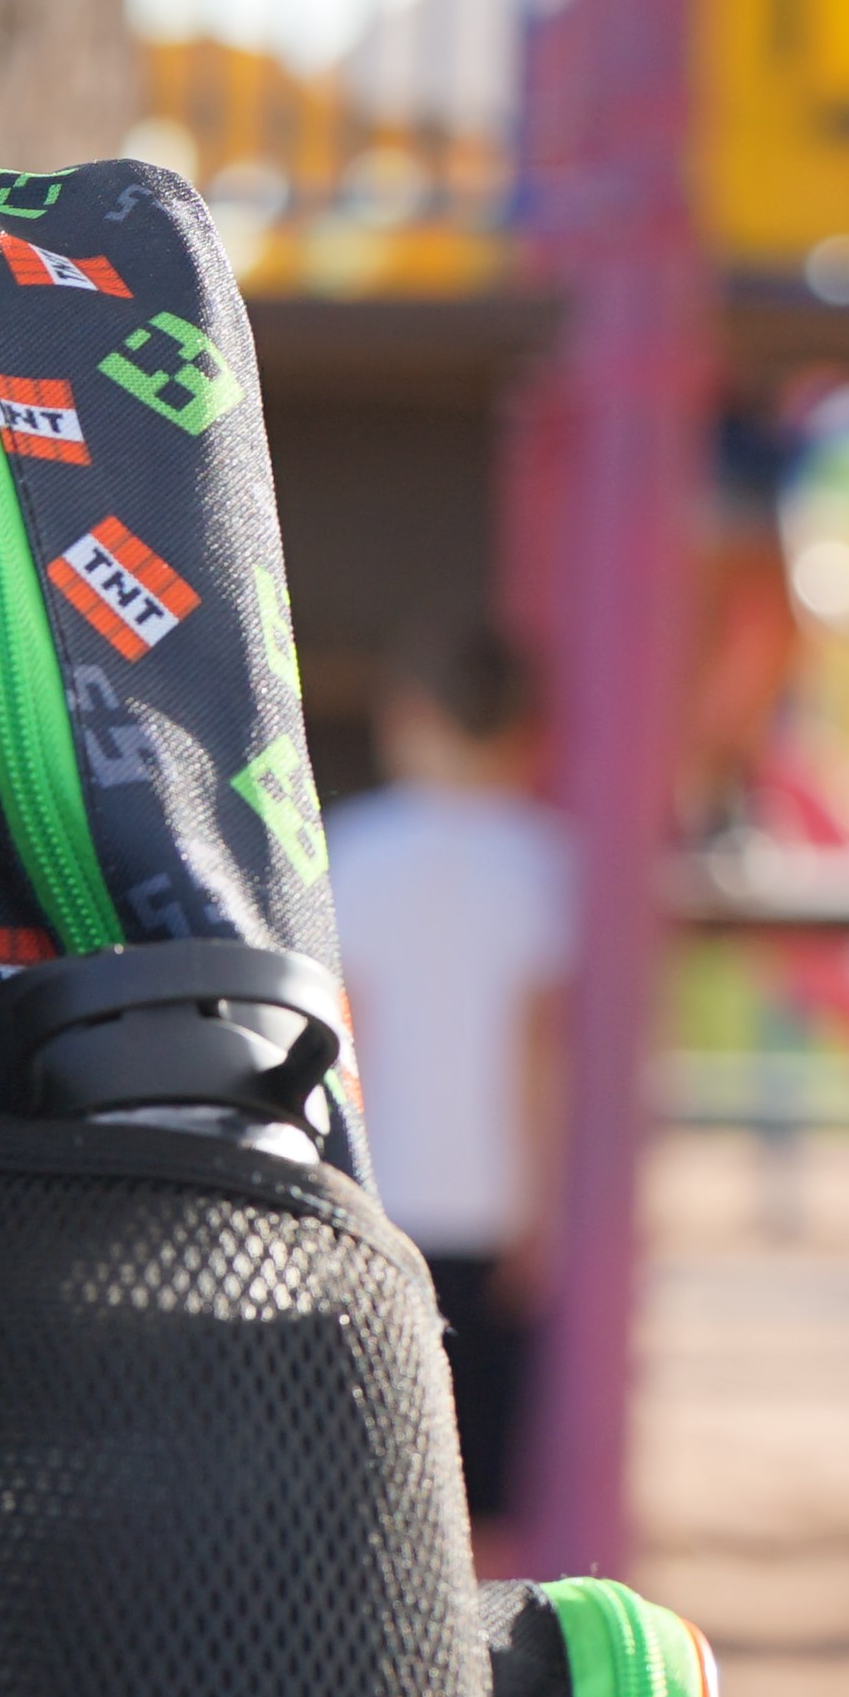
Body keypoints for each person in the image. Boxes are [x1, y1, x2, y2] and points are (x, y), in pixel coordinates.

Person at [329, 622, 570, 1545]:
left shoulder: (352, 847)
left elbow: (349, 1036)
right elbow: (544, 1053)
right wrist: (549, 1210)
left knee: (376, 1463)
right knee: (486, 1492)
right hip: (499, 1208)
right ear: (530, 734)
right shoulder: (551, 862)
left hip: (374, 1198)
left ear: (409, 718)